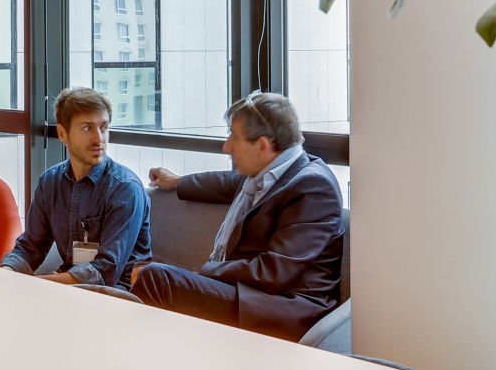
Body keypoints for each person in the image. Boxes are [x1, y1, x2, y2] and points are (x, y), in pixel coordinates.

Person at [131, 91, 344, 340]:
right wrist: (177, 181)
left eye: (234, 136)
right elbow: (227, 182)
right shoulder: (268, 174)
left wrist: (205, 271)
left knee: (158, 278)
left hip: (285, 308)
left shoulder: (313, 187)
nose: (227, 146)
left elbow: (274, 272)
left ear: (263, 145)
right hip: (253, 296)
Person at [1, 86, 152, 288]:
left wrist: (34, 285)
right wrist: (5, 274)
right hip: (69, 286)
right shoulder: (50, 182)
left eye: (103, 127)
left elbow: (105, 271)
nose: (99, 139)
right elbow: (30, 247)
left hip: (116, 292)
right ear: (62, 133)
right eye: (87, 128)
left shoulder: (125, 189)